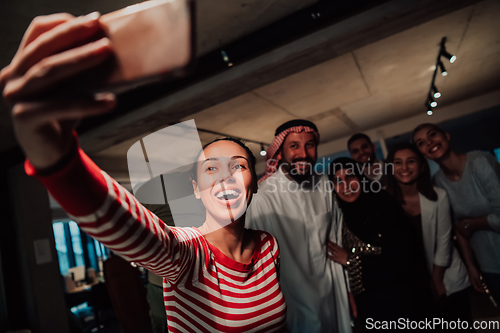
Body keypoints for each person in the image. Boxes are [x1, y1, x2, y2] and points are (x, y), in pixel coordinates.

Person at [1, 13, 286, 332]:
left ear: (254, 185)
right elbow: (141, 232)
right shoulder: (187, 255)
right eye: (210, 168)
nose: (225, 175)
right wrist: (58, 158)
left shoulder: (268, 246)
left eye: (239, 165)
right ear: (195, 188)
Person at [247, 119, 351, 333]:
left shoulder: (324, 184)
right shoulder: (262, 197)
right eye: (294, 146)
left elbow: (338, 234)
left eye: (309, 145)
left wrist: (349, 288)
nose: (303, 154)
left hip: (332, 295)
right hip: (291, 303)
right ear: (279, 152)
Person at [327, 157, 432, 330]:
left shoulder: (384, 206)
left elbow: (405, 256)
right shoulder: (341, 219)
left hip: (405, 301)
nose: (345, 185)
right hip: (372, 307)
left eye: (349, 177)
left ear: (360, 178)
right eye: (337, 181)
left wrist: (350, 260)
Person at [412, 123, 500, 303]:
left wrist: (472, 224)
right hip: (489, 264)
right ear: (421, 153)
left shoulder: (479, 162)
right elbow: (457, 228)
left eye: (432, 135)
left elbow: (464, 225)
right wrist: (471, 266)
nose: (429, 143)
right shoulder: (437, 183)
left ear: (446, 135)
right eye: (421, 143)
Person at [385, 142, 472, 324]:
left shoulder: (438, 196)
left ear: (422, 166)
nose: (405, 167)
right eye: (398, 162)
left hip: (446, 277)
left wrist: (436, 280)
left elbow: (443, 241)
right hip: (413, 285)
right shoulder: (384, 202)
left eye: (411, 161)